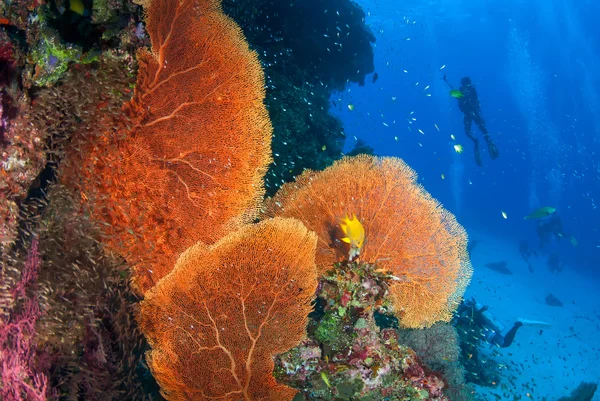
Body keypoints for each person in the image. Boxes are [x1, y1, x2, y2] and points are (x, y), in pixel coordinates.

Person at [456, 77, 499, 166]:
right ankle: (483, 142)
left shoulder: (467, 90)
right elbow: (471, 104)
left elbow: (469, 104)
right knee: (478, 130)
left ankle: (482, 142)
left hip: (470, 113)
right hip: (471, 113)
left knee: (474, 131)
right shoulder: (467, 91)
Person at [453, 298, 523, 348]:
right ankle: (517, 324)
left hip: (486, 332)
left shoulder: (462, 313)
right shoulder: (467, 307)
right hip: (484, 330)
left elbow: (464, 324)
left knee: (504, 343)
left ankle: (517, 324)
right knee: (504, 343)